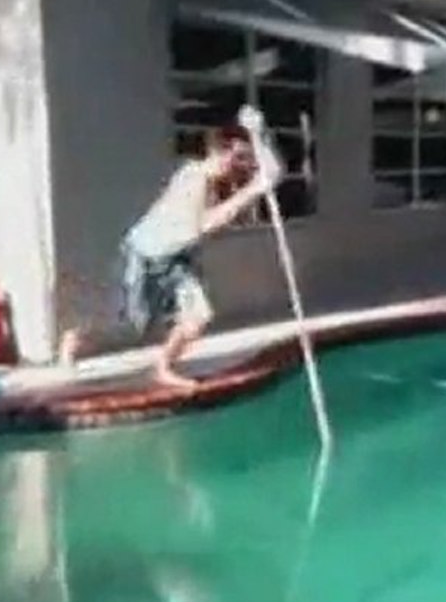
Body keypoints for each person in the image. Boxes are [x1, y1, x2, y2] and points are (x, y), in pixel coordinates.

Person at [59, 105, 282, 390]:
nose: (240, 164)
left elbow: (269, 173)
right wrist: (252, 192)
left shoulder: (216, 184)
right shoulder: (195, 177)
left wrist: (262, 145)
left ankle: (162, 367)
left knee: (199, 316)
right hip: (144, 257)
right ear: (218, 151)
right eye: (237, 157)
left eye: (245, 158)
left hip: (177, 259)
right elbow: (201, 226)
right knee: (129, 324)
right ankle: (75, 338)